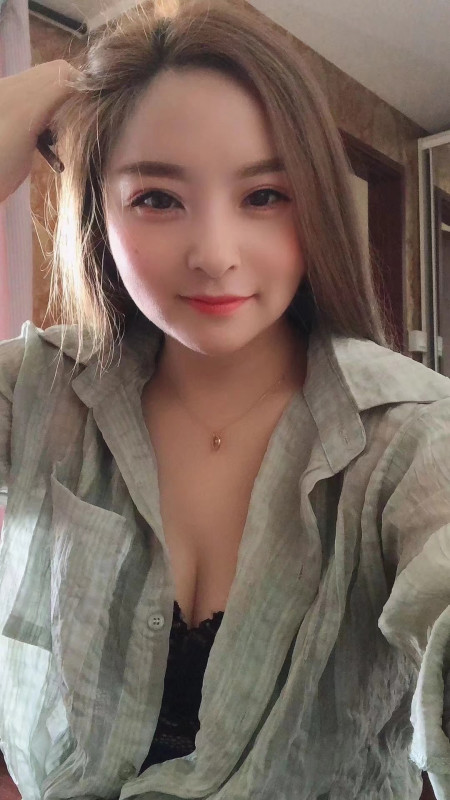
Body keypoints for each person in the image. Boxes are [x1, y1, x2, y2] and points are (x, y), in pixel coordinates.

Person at [0, 0, 450, 798]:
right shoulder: (39, 390)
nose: (215, 255)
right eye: (158, 198)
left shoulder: (409, 434)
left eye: (265, 196)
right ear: (98, 211)